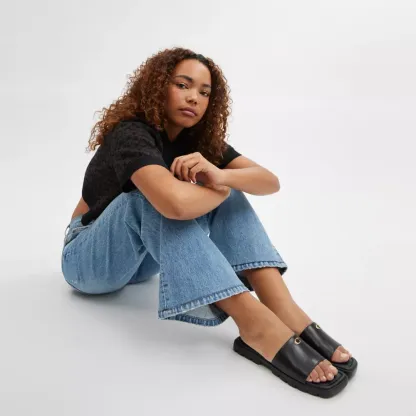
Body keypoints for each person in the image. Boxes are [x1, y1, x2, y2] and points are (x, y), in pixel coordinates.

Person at [61, 47, 357, 398]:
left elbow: (269, 181)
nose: (194, 98)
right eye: (182, 85)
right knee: (150, 199)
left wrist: (221, 176)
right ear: (157, 87)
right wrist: (220, 185)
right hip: (87, 259)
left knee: (225, 185)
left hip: (141, 263)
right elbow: (173, 204)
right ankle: (256, 325)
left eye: (204, 92)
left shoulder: (197, 141)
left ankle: (283, 308)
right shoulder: (132, 133)